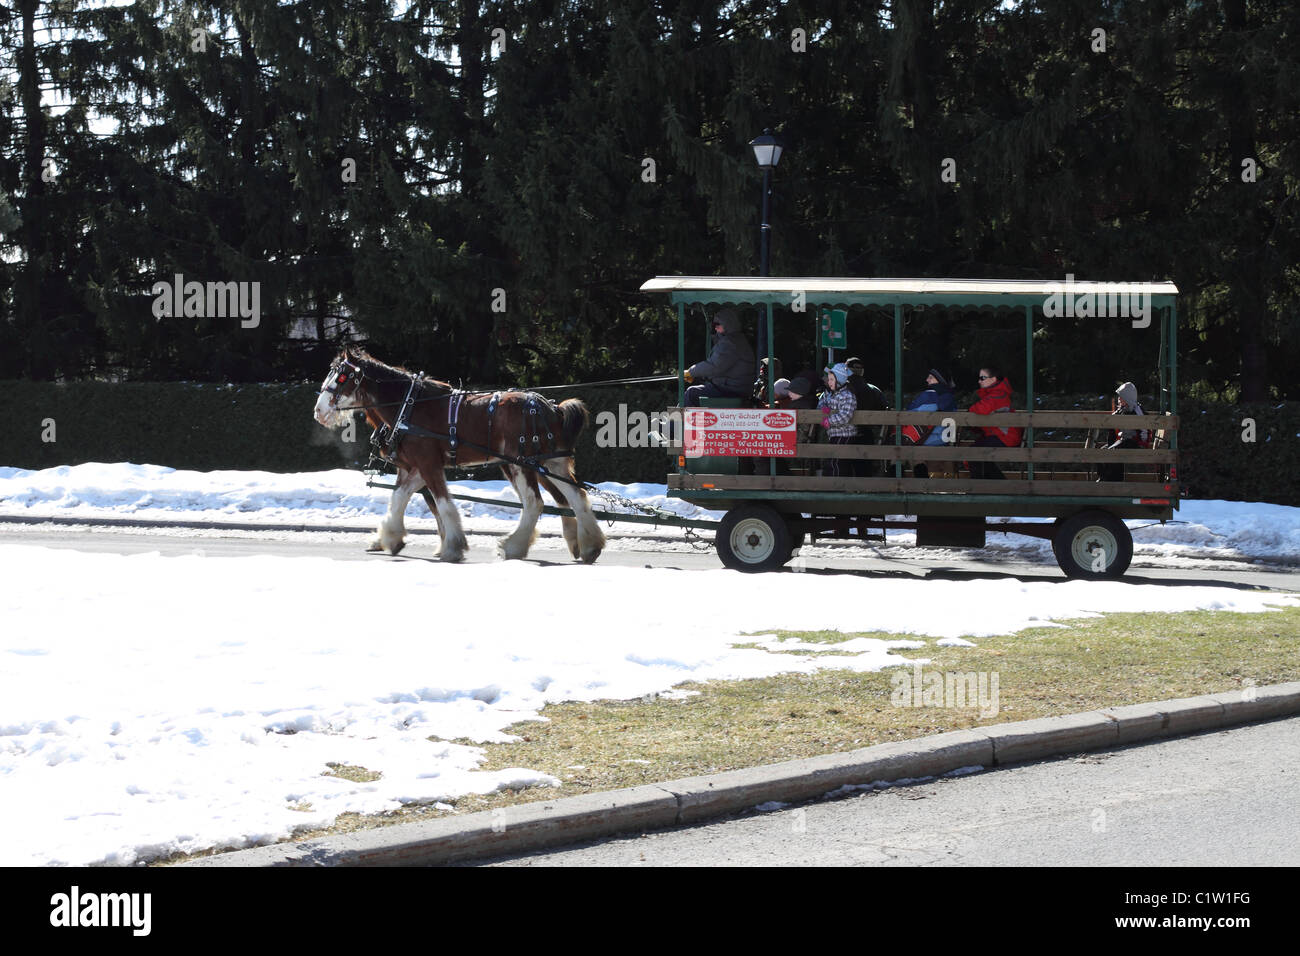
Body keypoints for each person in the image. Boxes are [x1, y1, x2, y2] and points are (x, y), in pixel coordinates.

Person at [683, 308, 755, 407]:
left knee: (692, 393)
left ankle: (676, 422)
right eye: (714, 325)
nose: (715, 328)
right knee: (700, 388)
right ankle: (681, 420)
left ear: (727, 324)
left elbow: (714, 366)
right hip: (733, 387)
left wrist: (691, 372)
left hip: (732, 390)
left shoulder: (730, 343)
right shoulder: (735, 340)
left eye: (717, 324)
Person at [968, 366, 1023, 480]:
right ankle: (998, 488)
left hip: (1006, 437)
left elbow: (981, 409)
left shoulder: (998, 394)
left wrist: (969, 410)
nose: (979, 381)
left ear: (993, 379)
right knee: (978, 455)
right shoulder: (994, 394)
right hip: (1001, 436)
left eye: (982, 378)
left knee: (974, 453)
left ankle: (979, 490)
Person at [844, 356, 889, 476]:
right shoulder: (873, 390)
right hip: (865, 434)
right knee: (864, 469)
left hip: (843, 434)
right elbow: (885, 410)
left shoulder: (840, 389)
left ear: (845, 370)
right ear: (862, 371)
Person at [1097, 381, 1150, 482]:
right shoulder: (1122, 409)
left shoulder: (1137, 411)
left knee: (1116, 451)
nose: (1119, 399)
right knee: (1102, 451)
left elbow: (1145, 430)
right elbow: (1112, 424)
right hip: (1124, 440)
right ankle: (1103, 477)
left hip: (1135, 441)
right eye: (1119, 397)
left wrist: (1142, 442)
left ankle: (1116, 481)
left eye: (1121, 397)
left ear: (1128, 398)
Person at [818, 362, 858, 478]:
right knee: (834, 461)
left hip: (845, 434)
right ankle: (835, 485)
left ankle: (838, 486)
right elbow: (824, 403)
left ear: (839, 380)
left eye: (831, 379)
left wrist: (829, 421)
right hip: (834, 434)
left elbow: (845, 415)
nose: (828, 382)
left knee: (836, 462)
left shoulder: (848, 395)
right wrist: (824, 408)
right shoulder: (833, 394)